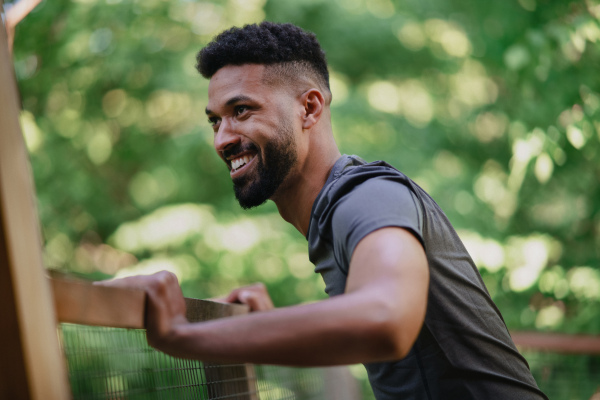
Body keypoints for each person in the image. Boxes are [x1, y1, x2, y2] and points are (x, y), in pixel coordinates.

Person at [99, 22, 548, 399]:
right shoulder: (333, 216)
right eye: (215, 120)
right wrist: (269, 324)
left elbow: (386, 319)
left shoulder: (365, 197)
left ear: (309, 108)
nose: (222, 138)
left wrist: (182, 334)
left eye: (241, 110)